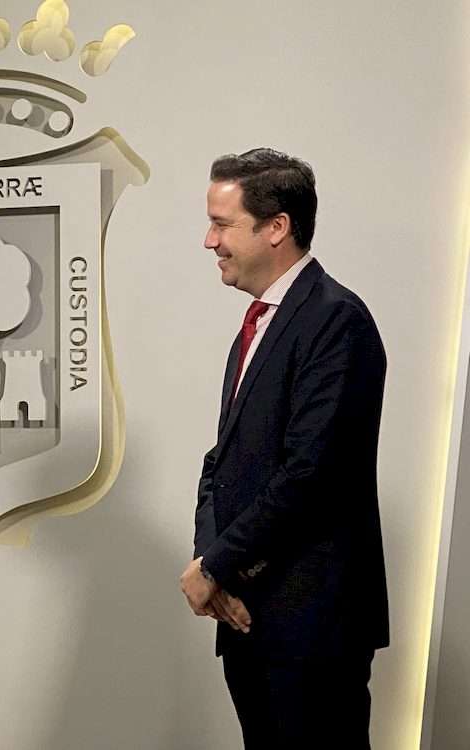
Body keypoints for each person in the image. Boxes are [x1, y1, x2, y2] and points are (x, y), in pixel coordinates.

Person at [179, 148, 389, 748]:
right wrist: (211, 562)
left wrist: (216, 566)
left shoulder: (336, 320)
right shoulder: (260, 322)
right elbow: (221, 463)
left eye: (222, 225)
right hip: (249, 617)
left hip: (312, 625)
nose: (209, 241)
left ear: (277, 227)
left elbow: (310, 473)